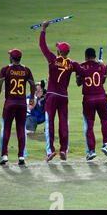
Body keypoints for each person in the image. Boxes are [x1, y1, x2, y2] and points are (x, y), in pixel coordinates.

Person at [39, 21, 94, 162]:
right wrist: (98, 65)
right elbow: (86, 73)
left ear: (59, 51)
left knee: (49, 123)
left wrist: (43, 29)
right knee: (63, 123)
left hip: (51, 96)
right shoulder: (72, 63)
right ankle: (63, 150)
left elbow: (42, 46)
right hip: (63, 97)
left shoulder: (52, 59)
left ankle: (50, 151)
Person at [0, 49, 36, 165]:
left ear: (12, 58)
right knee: (21, 129)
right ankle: (21, 156)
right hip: (22, 104)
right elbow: (32, 84)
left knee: (6, 128)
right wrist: (32, 97)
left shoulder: (6, 69)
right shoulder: (26, 69)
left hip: (10, 103)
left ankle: (4, 155)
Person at [76, 48, 107, 160]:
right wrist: (103, 65)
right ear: (95, 56)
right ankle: (106, 144)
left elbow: (78, 83)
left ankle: (91, 151)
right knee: (105, 121)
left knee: (90, 126)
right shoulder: (100, 66)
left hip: (88, 100)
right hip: (102, 97)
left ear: (86, 56)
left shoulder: (81, 66)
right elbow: (104, 79)